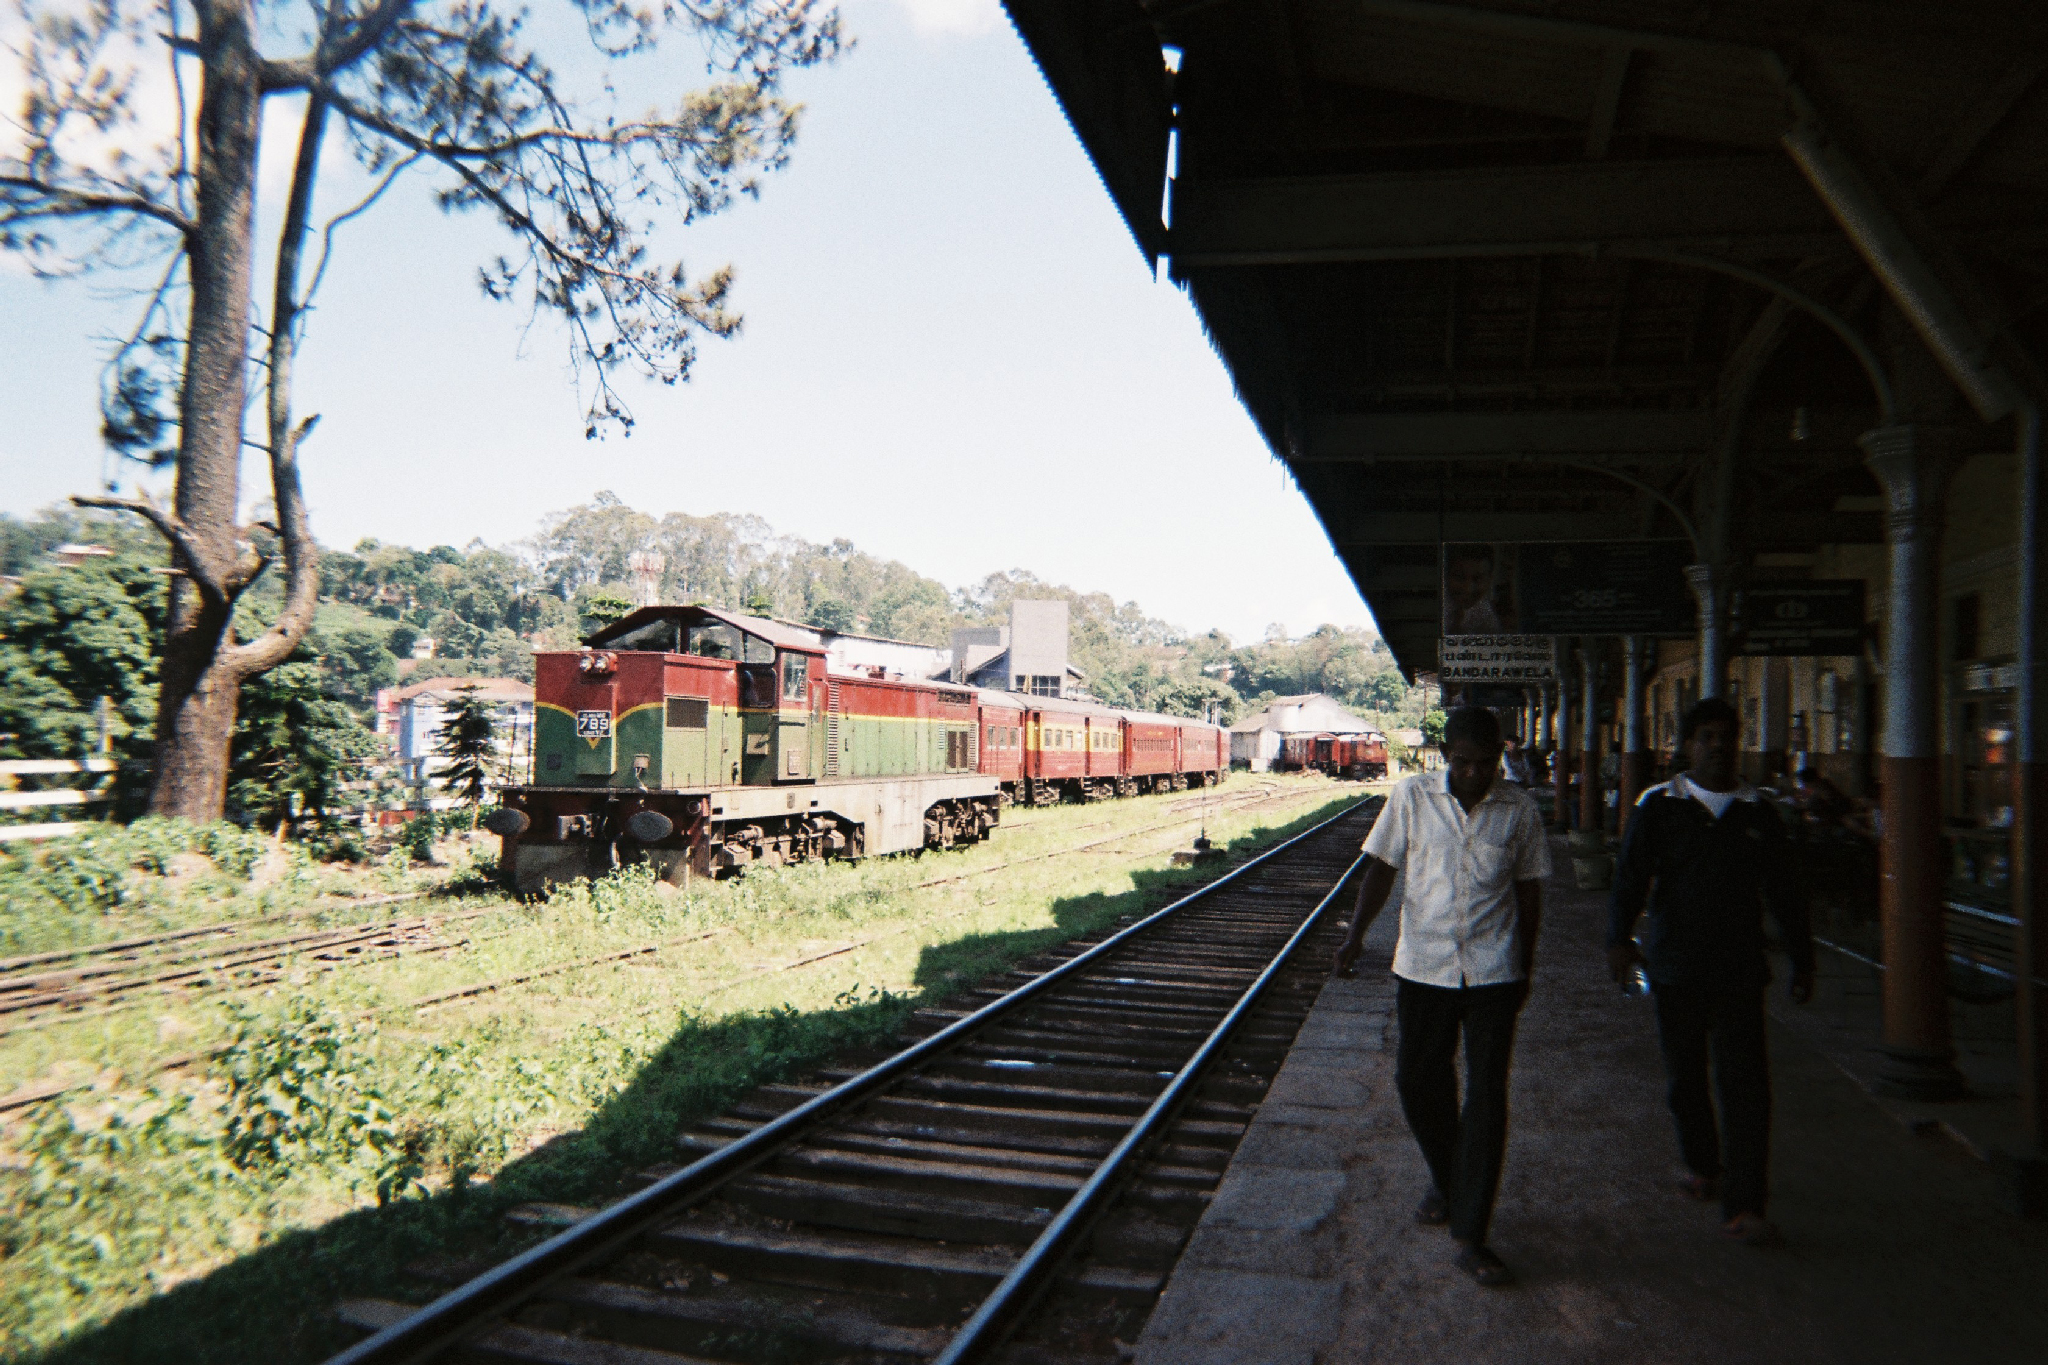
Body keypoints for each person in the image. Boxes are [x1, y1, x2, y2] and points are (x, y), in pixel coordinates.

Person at [1333, 706, 1550, 1286]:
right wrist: (1356, 934)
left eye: (1486, 763)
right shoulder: (1411, 797)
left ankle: (1472, 1232)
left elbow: (1529, 895)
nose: (1475, 774)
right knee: (1416, 1080)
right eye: (1463, 762)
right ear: (1445, 754)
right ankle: (1449, 1176)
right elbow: (1380, 868)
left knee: (1485, 1096)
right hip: (1423, 966)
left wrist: (1523, 968)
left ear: (1500, 755)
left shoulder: (1520, 810)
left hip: (1493, 971)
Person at [1608, 697, 1815, 1246]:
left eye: (1728, 735)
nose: (1719, 745)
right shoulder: (1660, 807)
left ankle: (1746, 1203)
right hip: (1675, 966)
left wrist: (1802, 956)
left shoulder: (1758, 813)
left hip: (1740, 970)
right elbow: (1630, 878)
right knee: (1686, 1081)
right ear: (1688, 744)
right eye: (1707, 737)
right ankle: (1702, 1165)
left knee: (1745, 1084)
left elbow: (1786, 890)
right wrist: (1619, 942)